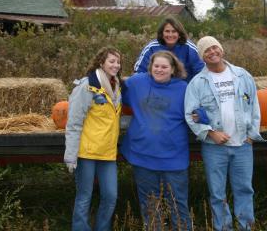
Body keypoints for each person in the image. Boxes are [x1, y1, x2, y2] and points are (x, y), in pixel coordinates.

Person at [184, 36, 264, 231]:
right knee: (217, 194)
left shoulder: (242, 76)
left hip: (243, 145)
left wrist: (252, 134)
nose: (212, 52)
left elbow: (254, 107)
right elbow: (190, 113)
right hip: (214, 148)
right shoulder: (197, 83)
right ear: (202, 57)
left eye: (214, 48)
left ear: (221, 49)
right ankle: (223, 227)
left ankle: (246, 226)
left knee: (244, 190)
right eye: (206, 51)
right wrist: (211, 133)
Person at [121, 51, 192, 230]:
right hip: (142, 154)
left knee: (178, 204)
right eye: (156, 66)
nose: (159, 70)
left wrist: (201, 115)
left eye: (164, 67)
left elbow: (199, 109)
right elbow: (112, 87)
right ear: (150, 67)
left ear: (173, 69)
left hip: (173, 157)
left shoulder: (183, 88)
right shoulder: (137, 82)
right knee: (150, 205)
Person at [64, 47, 122, 231]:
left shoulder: (117, 86)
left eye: (118, 62)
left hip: (108, 153)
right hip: (87, 153)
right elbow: (73, 123)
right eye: (111, 61)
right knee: (84, 197)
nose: (116, 65)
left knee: (111, 196)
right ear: (101, 62)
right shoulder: (86, 86)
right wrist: (71, 155)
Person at [134, 17, 204, 82]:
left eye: (174, 31)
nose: (170, 35)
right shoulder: (152, 47)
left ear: (179, 34)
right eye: (167, 31)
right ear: (162, 33)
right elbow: (139, 71)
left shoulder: (189, 47)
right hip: (157, 87)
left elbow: (201, 71)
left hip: (183, 88)